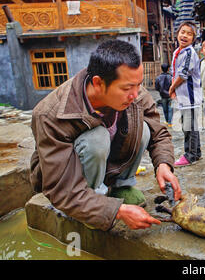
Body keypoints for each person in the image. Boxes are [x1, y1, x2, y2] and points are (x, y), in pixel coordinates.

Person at [30, 39, 182, 231]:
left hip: (110, 169)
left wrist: (163, 165)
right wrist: (116, 212)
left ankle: (121, 186)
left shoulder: (135, 92)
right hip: (74, 184)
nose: (136, 94)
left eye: (139, 85)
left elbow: (158, 132)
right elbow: (61, 189)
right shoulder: (50, 114)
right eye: (127, 88)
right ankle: (95, 202)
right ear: (98, 83)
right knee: (97, 139)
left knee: (143, 128)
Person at [169, 22, 203, 166]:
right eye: (183, 32)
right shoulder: (178, 51)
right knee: (189, 125)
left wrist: (171, 88)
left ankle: (190, 155)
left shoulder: (189, 52)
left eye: (189, 34)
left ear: (193, 38)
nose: (185, 36)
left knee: (189, 127)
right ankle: (197, 152)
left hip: (190, 97)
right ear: (177, 33)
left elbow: (183, 75)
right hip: (184, 97)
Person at [155, 63, 173, 127]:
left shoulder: (158, 78)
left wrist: (161, 91)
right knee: (170, 109)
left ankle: (166, 121)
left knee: (165, 109)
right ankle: (170, 122)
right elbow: (173, 86)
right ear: (168, 69)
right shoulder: (171, 77)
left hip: (163, 96)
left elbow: (156, 88)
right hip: (170, 95)